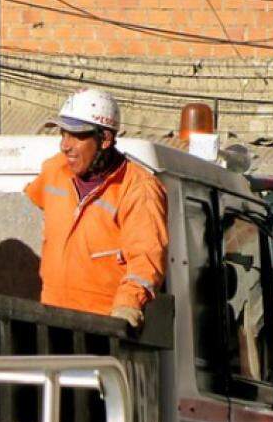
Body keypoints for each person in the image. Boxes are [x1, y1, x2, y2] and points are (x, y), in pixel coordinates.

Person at [24, 89, 168, 327]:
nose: (65, 145)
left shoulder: (139, 188)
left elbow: (146, 257)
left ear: (105, 140)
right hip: (50, 320)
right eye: (63, 134)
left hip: (103, 326)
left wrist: (128, 303)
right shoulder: (54, 171)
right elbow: (35, 209)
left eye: (77, 136)